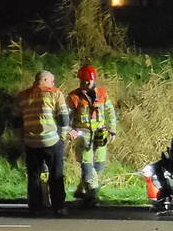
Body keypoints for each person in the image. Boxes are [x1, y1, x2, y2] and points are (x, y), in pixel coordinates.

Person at [12, 71, 71, 216]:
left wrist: (22, 138)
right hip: (51, 141)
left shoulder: (22, 96)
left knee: (34, 176)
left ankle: (35, 207)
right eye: (52, 81)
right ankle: (59, 207)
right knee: (56, 174)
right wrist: (62, 137)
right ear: (44, 79)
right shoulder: (55, 93)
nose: (53, 84)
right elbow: (64, 118)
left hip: (31, 142)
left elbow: (16, 121)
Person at [66, 64, 118, 206]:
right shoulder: (73, 97)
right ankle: (92, 194)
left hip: (101, 135)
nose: (86, 84)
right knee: (87, 166)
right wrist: (70, 130)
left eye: (89, 81)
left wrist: (112, 130)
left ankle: (81, 190)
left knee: (100, 165)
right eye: (83, 81)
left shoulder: (102, 93)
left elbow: (110, 112)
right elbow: (66, 116)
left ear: (94, 80)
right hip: (84, 135)